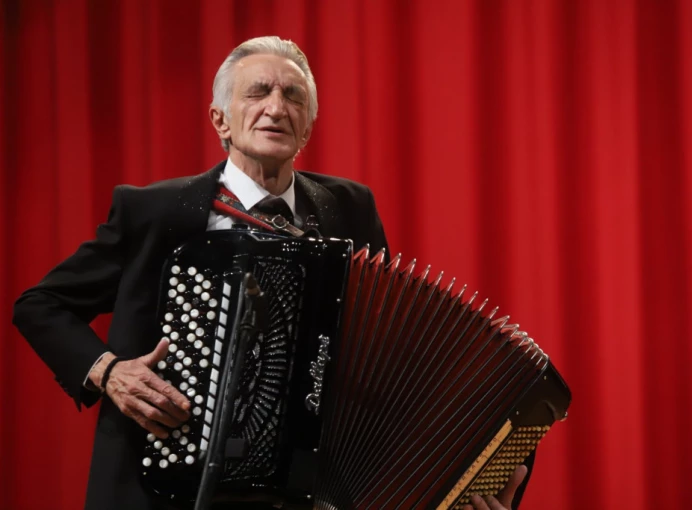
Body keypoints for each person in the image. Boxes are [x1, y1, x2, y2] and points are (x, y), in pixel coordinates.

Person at [13, 36, 531, 510]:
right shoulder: (153, 211)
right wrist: (108, 371)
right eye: (257, 93)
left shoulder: (349, 209)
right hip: (163, 486)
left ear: (308, 126)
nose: (276, 108)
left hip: (302, 493)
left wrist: (459, 476)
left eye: (293, 97)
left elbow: (385, 354)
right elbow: (41, 305)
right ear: (220, 120)